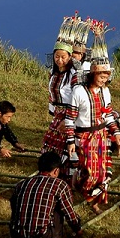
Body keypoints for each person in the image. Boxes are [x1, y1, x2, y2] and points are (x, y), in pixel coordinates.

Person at [65, 20, 120, 215]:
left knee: (102, 171)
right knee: (89, 171)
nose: (104, 78)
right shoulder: (79, 92)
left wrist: (115, 134)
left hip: (101, 136)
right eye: (101, 74)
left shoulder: (105, 92)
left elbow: (107, 115)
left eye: (107, 75)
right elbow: (70, 118)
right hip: (83, 137)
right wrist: (70, 141)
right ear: (93, 73)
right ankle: (85, 192)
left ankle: (94, 199)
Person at [10, 152, 82, 238]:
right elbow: (69, 214)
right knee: (59, 207)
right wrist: (78, 229)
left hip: (17, 236)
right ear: (56, 171)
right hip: (42, 237)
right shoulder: (59, 185)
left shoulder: (22, 184)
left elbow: (14, 207)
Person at [41, 15, 80, 180]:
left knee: (66, 145)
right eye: (57, 56)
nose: (59, 60)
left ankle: (65, 176)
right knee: (50, 142)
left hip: (69, 114)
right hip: (57, 114)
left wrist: (69, 119)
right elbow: (51, 94)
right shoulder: (53, 72)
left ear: (70, 56)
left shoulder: (74, 74)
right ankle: (50, 172)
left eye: (63, 57)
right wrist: (53, 114)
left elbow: (76, 97)